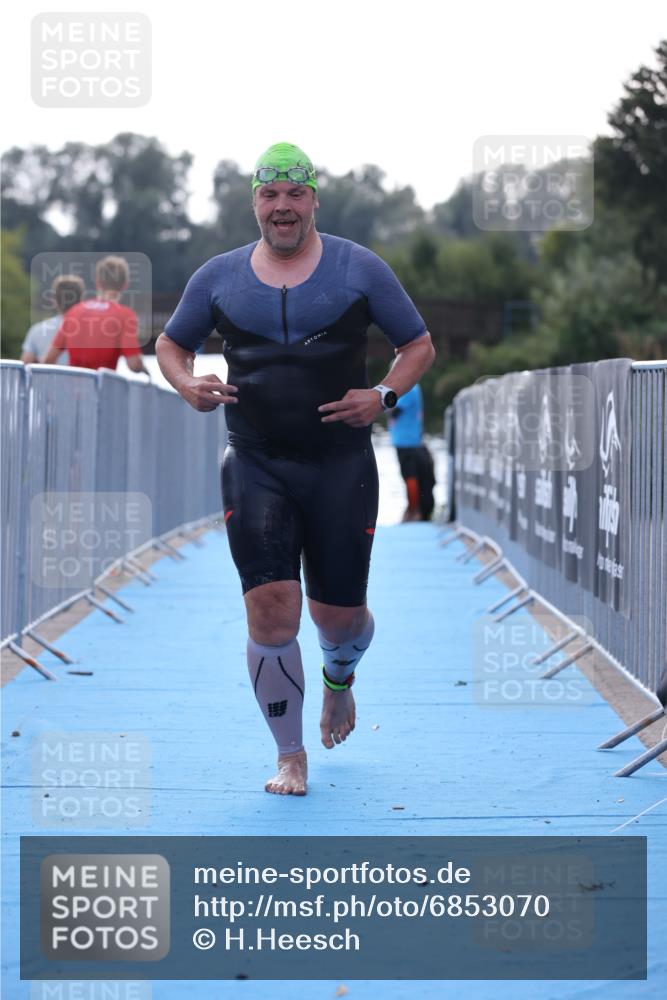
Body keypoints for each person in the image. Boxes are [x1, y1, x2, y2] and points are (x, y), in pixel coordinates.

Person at [156, 142, 435, 796]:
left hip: (339, 466)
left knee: (337, 619)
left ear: (312, 199)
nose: (282, 207)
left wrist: (383, 396)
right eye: (269, 195)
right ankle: (290, 756)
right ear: (255, 201)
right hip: (255, 463)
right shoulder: (218, 277)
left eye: (294, 194)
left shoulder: (357, 269)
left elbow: (415, 344)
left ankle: (339, 678)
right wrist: (183, 382)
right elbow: (172, 344)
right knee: (271, 613)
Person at [42, 255, 149, 374]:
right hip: (102, 390)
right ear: (125, 285)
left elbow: (48, 360)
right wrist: (145, 369)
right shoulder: (125, 315)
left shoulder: (73, 311)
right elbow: (133, 364)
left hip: (72, 389)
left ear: (98, 283)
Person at [387, 382, 436, 522]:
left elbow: (394, 410)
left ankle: (413, 511)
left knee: (410, 477)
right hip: (411, 441)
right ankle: (414, 510)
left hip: (406, 442)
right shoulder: (413, 387)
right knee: (413, 477)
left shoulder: (407, 387)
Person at [21, 274, 85, 365]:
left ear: (54, 300)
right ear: (81, 300)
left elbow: (25, 363)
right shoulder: (92, 329)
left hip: (45, 378)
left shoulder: (37, 330)